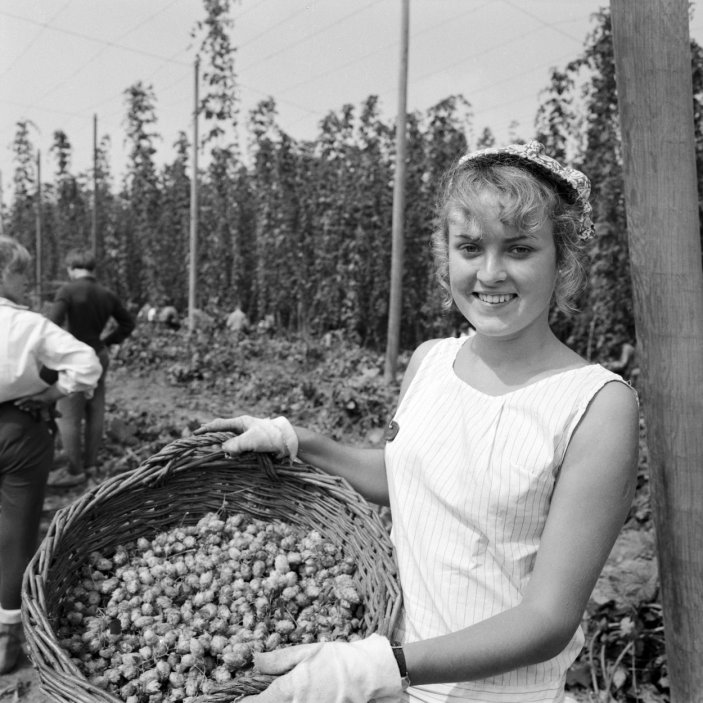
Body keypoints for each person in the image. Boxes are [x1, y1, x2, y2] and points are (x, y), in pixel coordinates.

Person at [196, 141, 640, 703]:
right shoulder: (430, 361)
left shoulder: (595, 404)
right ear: (445, 255)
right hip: (395, 669)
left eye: (521, 249)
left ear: (564, 261)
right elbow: (409, 477)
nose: (491, 272)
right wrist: (296, 439)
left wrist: (373, 668)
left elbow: (547, 619)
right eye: (470, 247)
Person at [0, 236, 102, 674]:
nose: (27, 282)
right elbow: (86, 362)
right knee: (17, 534)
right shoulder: (25, 324)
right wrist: (52, 391)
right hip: (19, 430)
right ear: (5, 273)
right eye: (22, 272)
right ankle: (5, 638)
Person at [46, 248, 135, 487]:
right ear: (93, 269)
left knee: (69, 414)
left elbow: (51, 323)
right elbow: (128, 322)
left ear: (71, 268)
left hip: (75, 355)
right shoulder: (106, 294)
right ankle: (91, 465)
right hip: (98, 353)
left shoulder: (67, 290)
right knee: (95, 408)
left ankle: (74, 470)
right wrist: (108, 340)